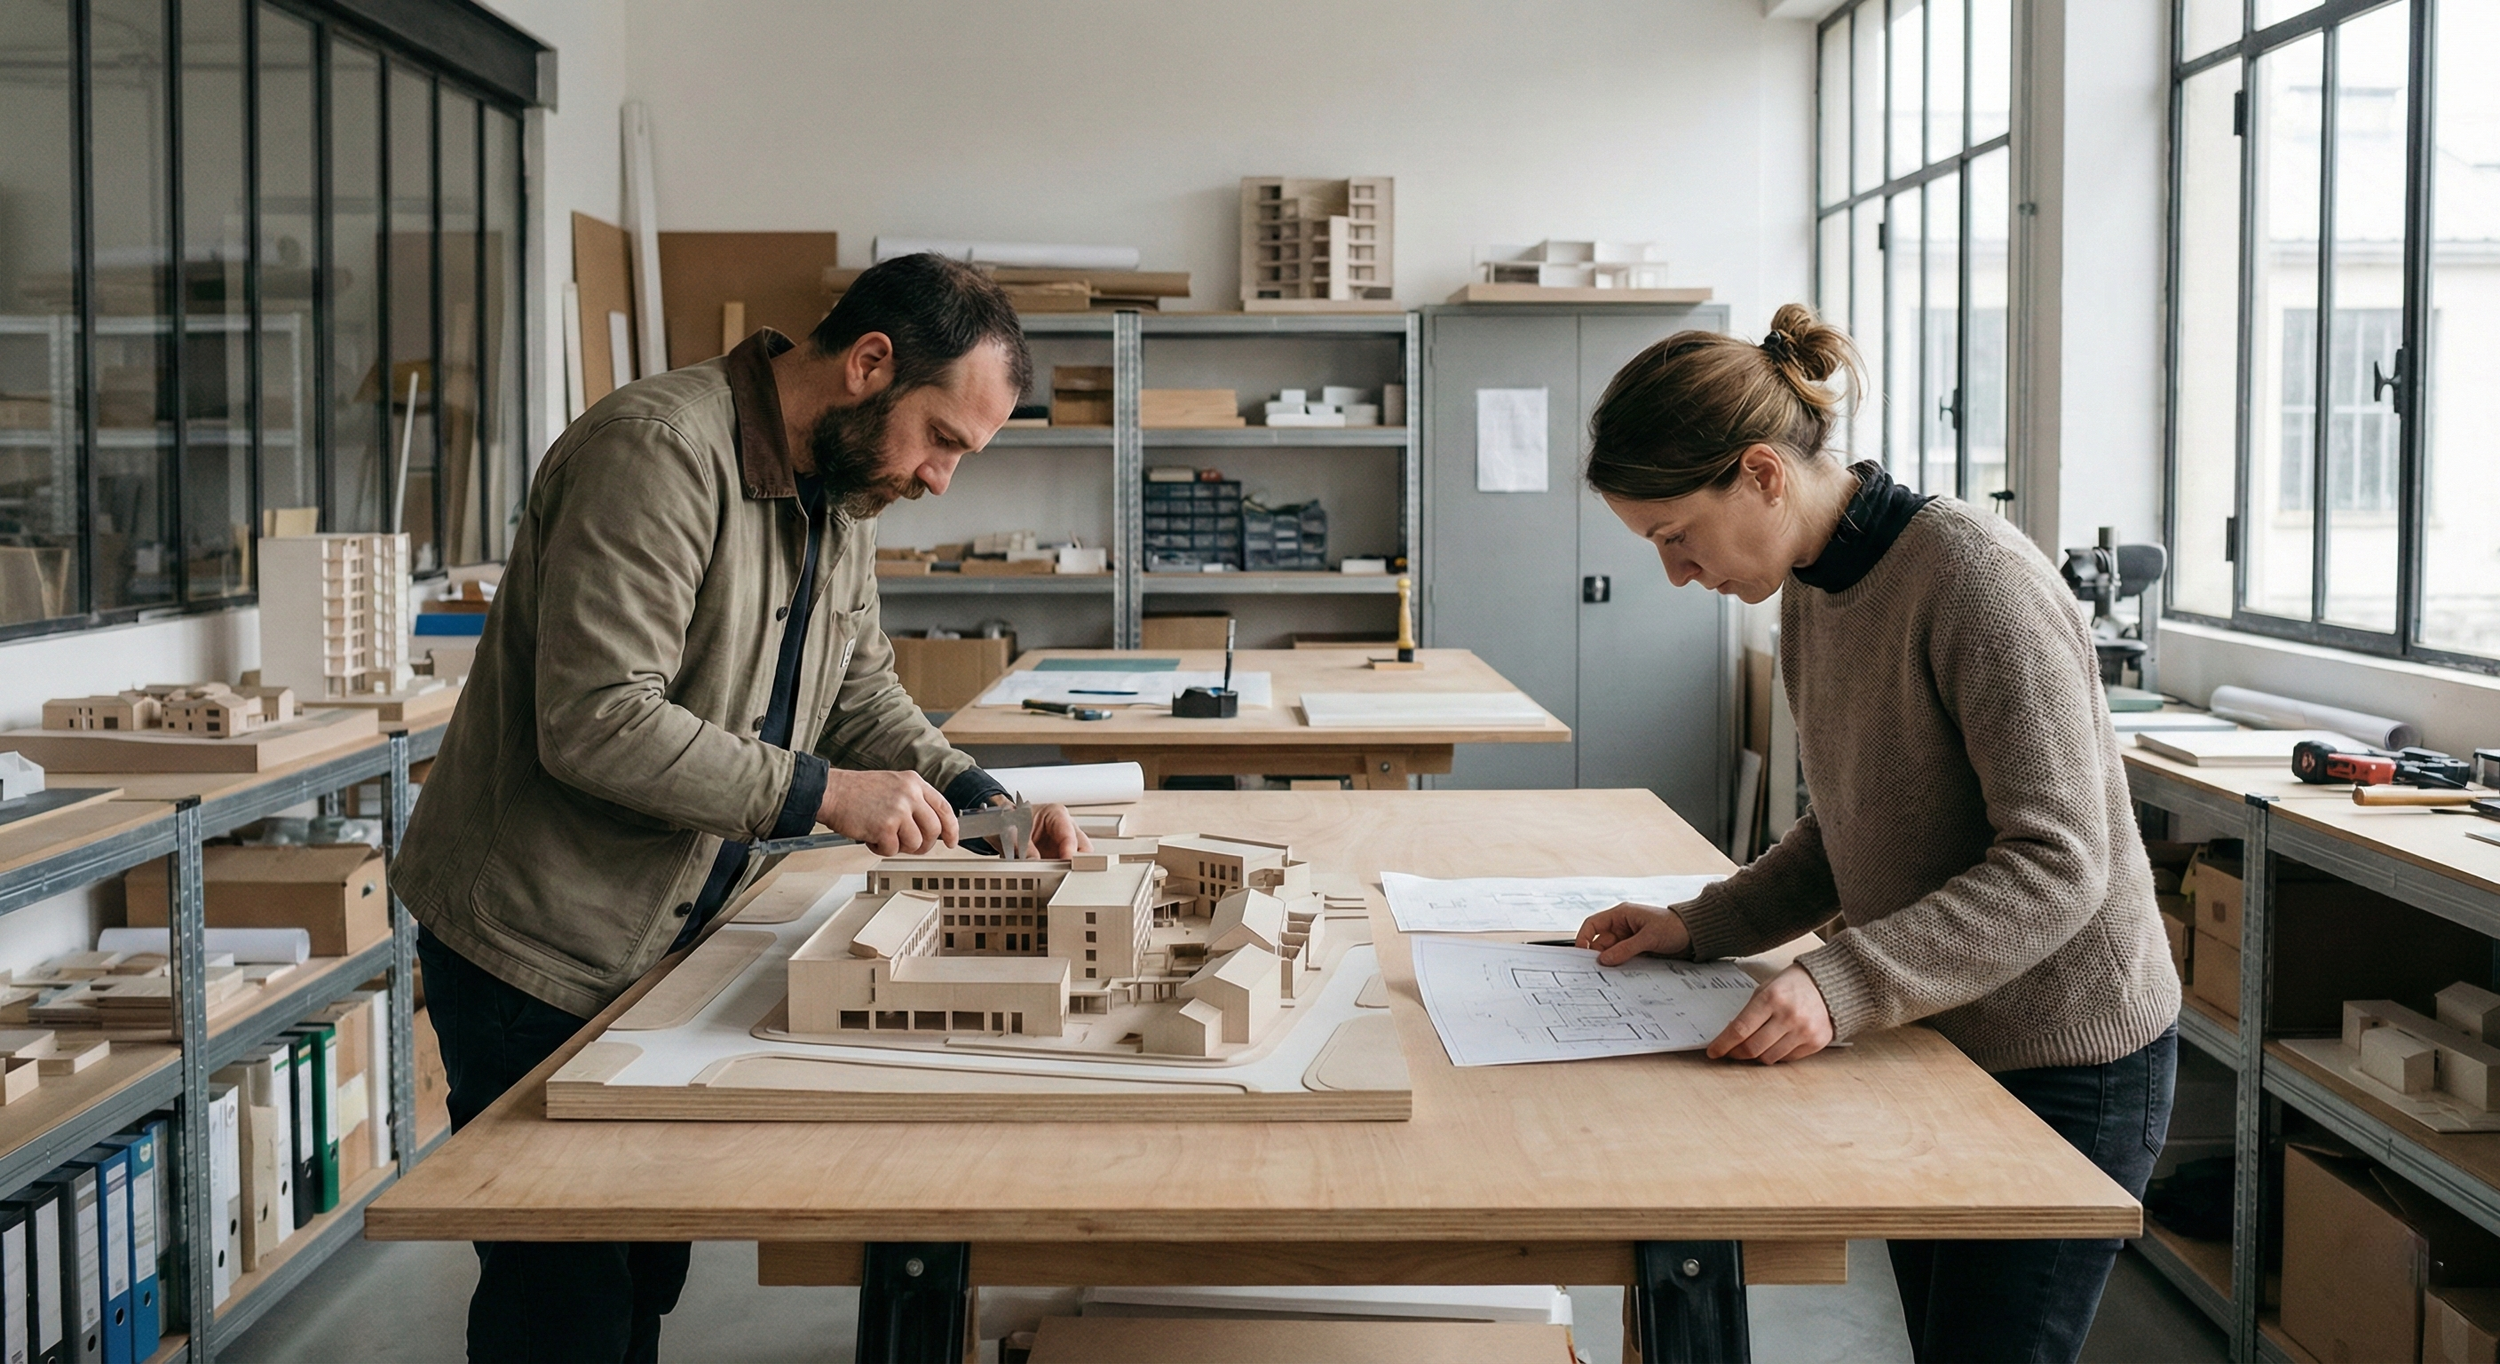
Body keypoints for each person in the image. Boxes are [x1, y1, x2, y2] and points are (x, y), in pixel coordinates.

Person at [397, 253, 1090, 1362]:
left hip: (664, 937)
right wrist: (823, 793)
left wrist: (985, 796)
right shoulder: (659, 451)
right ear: (870, 364)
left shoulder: (843, 490)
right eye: (943, 439)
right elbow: (594, 719)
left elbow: (857, 691)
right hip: (537, 943)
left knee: (643, 1270)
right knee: (560, 1301)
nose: (940, 479)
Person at [1570, 304, 2178, 1363]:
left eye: (1675, 535)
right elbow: (1850, 820)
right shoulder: (1812, 587)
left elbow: (2057, 863)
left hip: (2067, 1060)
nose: (1674, 572)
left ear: (1761, 472)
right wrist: (1700, 922)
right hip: (1942, 1032)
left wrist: (1838, 981)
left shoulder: (1972, 580)